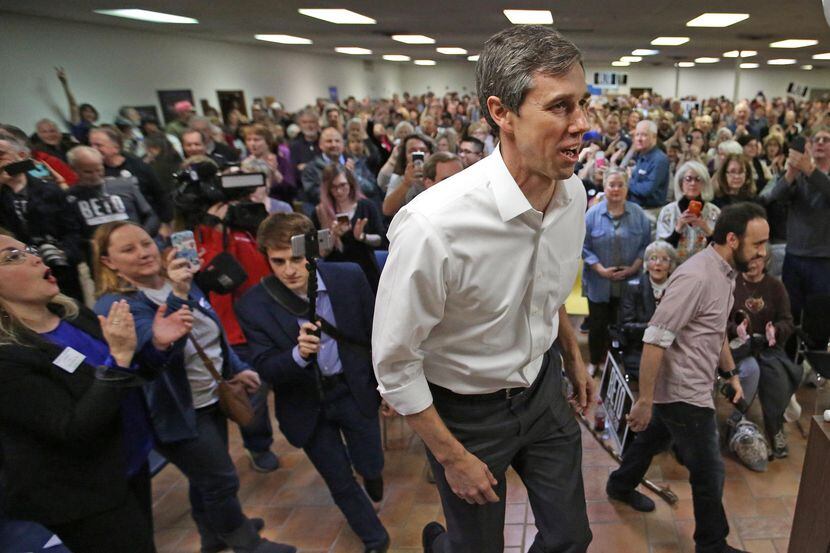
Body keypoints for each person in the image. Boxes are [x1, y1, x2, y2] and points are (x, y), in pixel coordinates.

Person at [373, 25, 593, 553]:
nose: (582, 125)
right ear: (502, 113)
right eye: (560, 107)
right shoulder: (433, 227)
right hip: (466, 412)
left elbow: (547, 288)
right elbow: (394, 365)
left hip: (542, 391)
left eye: (583, 104)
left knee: (570, 537)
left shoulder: (574, 196)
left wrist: (573, 356)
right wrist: (451, 457)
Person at [92, 222, 296, 553]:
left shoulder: (177, 281)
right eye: (128, 250)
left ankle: (213, 535)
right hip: (175, 411)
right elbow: (156, 350)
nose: (143, 252)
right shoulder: (116, 305)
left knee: (204, 477)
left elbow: (210, 331)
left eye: (145, 243)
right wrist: (179, 295)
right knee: (220, 480)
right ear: (108, 262)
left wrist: (237, 369)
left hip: (211, 397)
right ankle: (247, 542)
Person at [0, 233, 191, 553]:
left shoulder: (72, 314)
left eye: (28, 250)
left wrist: (156, 345)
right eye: (12, 256)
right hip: (84, 493)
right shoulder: (7, 358)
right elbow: (73, 428)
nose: (35, 258)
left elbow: (129, 371)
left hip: (129, 462)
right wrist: (118, 359)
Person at [606, 202, 769, 553]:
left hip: (692, 385)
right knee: (710, 472)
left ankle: (620, 485)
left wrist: (730, 373)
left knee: (651, 441)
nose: (763, 252)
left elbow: (716, 333)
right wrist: (646, 400)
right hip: (683, 391)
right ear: (732, 239)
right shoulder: (696, 277)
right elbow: (655, 337)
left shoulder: (725, 274)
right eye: (757, 244)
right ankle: (711, 544)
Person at [235, 213, 390, 553]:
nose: (288, 270)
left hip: (352, 390)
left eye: (296, 259)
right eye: (277, 261)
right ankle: (374, 537)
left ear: (313, 251)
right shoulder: (253, 305)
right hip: (304, 405)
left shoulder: (348, 277)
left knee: (370, 462)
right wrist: (298, 355)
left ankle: (373, 478)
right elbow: (264, 367)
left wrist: (386, 385)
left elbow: (374, 334)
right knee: (339, 479)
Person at [727, 254, 799, 460]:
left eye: (758, 259)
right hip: (740, 346)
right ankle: (737, 419)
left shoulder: (776, 287)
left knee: (777, 378)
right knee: (752, 370)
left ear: (766, 262)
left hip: (768, 347)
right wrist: (735, 329)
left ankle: (775, 428)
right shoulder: (732, 284)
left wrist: (775, 331)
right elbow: (720, 319)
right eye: (749, 258)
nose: (752, 263)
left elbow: (788, 321)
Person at [582, 168, 651, 376]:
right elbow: (583, 247)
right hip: (599, 282)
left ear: (627, 188)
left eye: (620, 185)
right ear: (604, 187)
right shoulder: (592, 215)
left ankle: (618, 364)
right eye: (611, 185)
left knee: (622, 325)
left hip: (629, 283)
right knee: (597, 325)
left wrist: (633, 268)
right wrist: (600, 269)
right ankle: (595, 360)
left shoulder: (639, 215)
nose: (616, 189)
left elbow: (646, 245)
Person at [0, 136, 85, 302]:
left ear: (22, 156)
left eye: (1, 154)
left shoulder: (50, 190)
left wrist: (65, 253)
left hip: (60, 270)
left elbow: (73, 230)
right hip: (19, 275)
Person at [765, 124, 830, 322]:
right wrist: (791, 173)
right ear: (808, 146)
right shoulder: (799, 175)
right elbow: (773, 197)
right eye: (815, 140)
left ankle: (815, 351)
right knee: (789, 310)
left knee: (818, 314)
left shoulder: (811, 173)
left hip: (823, 259)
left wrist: (809, 170)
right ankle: (788, 348)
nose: (819, 143)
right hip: (794, 255)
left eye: (825, 140)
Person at [314, 164, 386, 292]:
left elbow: (380, 239)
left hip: (365, 269)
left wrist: (362, 237)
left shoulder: (367, 206)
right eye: (334, 187)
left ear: (351, 184)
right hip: (336, 271)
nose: (339, 191)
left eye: (343, 185)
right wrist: (333, 236)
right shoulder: (321, 212)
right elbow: (321, 252)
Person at [89, 127, 174, 235]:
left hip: (148, 227)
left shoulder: (138, 166)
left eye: (99, 145)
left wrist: (166, 223)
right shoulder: (93, 172)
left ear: (116, 147)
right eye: (91, 145)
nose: (93, 149)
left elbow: (159, 194)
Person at [66, 146, 160, 242]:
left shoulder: (124, 185)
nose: (95, 175)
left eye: (99, 170)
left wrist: (142, 235)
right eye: (88, 172)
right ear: (74, 170)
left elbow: (151, 215)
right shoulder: (70, 198)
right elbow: (73, 233)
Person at [618, 241, 679, 378]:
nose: (658, 263)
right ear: (646, 263)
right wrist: (657, 329)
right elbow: (626, 327)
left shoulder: (678, 289)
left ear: (671, 266)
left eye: (664, 259)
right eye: (653, 258)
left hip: (673, 349)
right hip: (640, 348)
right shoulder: (633, 287)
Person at [656, 160, 721, 264]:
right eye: (688, 179)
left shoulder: (714, 212)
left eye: (698, 179)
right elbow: (661, 249)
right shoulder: (668, 211)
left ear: (704, 184)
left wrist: (706, 229)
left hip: (705, 267)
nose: (693, 183)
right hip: (675, 268)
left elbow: (721, 249)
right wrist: (678, 228)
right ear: (681, 183)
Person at [380, 134, 433, 217]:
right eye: (412, 151)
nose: (418, 154)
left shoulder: (438, 175)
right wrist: (406, 184)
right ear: (404, 156)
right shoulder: (399, 178)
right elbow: (387, 210)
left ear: (430, 154)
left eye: (423, 151)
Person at [627, 120, 670, 210]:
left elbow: (647, 190)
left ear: (654, 137)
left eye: (644, 135)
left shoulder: (659, 159)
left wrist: (627, 182)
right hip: (635, 207)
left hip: (650, 210)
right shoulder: (641, 155)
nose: (639, 138)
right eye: (637, 134)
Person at [54, 67, 99, 145]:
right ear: (81, 113)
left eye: (91, 111)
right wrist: (65, 84)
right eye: (85, 111)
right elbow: (73, 105)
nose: (89, 113)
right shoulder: (78, 124)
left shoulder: (96, 127)